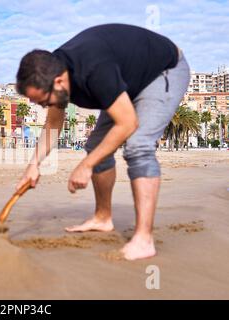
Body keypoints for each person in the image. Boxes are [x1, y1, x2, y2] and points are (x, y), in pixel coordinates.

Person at [15, 24, 190, 260]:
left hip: (162, 71)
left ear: (58, 82)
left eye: (42, 101)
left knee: (138, 146)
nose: (44, 106)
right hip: (125, 83)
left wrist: (86, 165)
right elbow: (53, 124)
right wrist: (33, 164)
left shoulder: (94, 69)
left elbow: (128, 124)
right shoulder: (55, 70)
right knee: (97, 148)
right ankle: (103, 217)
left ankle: (144, 239)